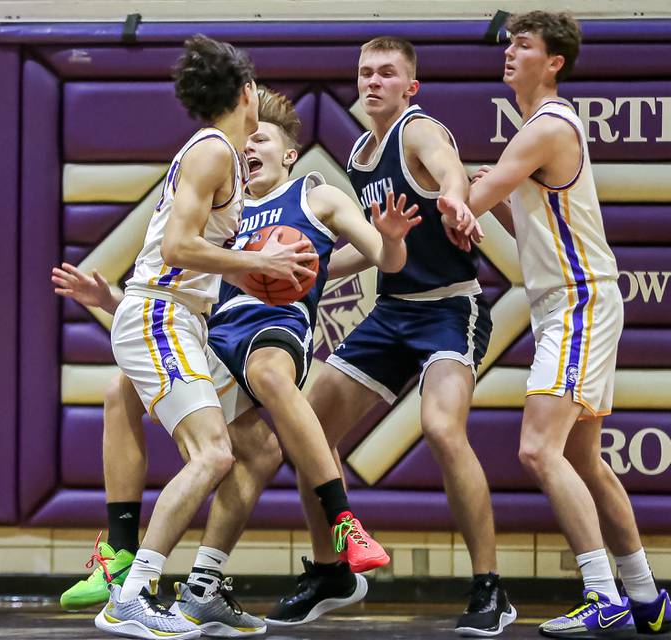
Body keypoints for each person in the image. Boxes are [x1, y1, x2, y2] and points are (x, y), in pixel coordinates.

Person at [54, 86, 422, 636]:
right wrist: (112, 301)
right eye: (245, 140)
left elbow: (383, 258)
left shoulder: (314, 196)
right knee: (138, 400)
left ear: (290, 154)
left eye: (262, 141)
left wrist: (392, 243)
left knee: (266, 378)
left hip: (273, 330)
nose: (248, 148)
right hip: (210, 334)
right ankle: (168, 573)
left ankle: (341, 518)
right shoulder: (229, 208)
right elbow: (187, 279)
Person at [266, 36, 518, 636]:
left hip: (449, 310)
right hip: (393, 311)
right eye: (365, 73)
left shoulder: (418, 129)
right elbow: (379, 248)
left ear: (411, 86)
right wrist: (313, 272)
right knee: (307, 429)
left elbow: (449, 170)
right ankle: (331, 569)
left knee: (440, 427)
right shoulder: (359, 152)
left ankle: (490, 586)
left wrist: (457, 202)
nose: (373, 81)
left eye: (387, 73)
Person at [88, 35, 319, 640]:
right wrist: (257, 267)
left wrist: (259, 261)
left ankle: (203, 589)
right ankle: (132, 595)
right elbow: (175, 248)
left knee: (260, 448)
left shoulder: (219, 153)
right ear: (246, 92)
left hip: (183, 319)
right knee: (212, 453)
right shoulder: (215, 149)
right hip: (160, 315)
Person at [454, 10, 670, 638]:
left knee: (536, 449)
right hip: (572, 301)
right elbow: (505, 216)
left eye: (524, 45)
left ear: (554, 62)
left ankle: (603, 595)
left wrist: (436, 186)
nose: (509, 53)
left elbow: (471, 200)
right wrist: (470, 201)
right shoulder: (535, 130)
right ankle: (646, 596)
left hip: (577, 303)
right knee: (584, 458)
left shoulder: (547, 126)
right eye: (509, 44)